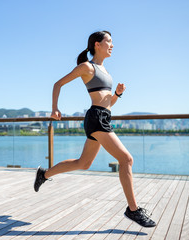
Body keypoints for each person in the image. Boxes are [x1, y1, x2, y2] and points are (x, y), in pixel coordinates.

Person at [33, 31, 156, 228]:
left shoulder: (106, 72)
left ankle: (44, 174)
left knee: (84, 163)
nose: (113, 45)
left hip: (103, 117)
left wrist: (117, 94)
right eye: (109, 41)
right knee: (126, 159)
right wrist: (55, 107)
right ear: (97, 45)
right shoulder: (86, 67)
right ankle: (133, 210)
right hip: (96, 118)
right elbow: (58, 84)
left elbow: (109, 104)